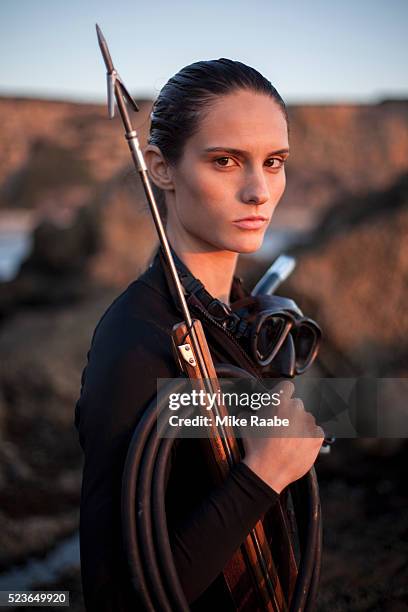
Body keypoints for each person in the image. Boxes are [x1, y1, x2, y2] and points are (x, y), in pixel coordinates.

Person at [75, 58, 324, 611]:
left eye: (274, 161)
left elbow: (248, 417)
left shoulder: (240, 311)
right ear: (161, 167)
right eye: (225, 161)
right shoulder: (136, 341)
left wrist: (356, 411)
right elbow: (114, 597)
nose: (259, 191)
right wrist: (260, 477)